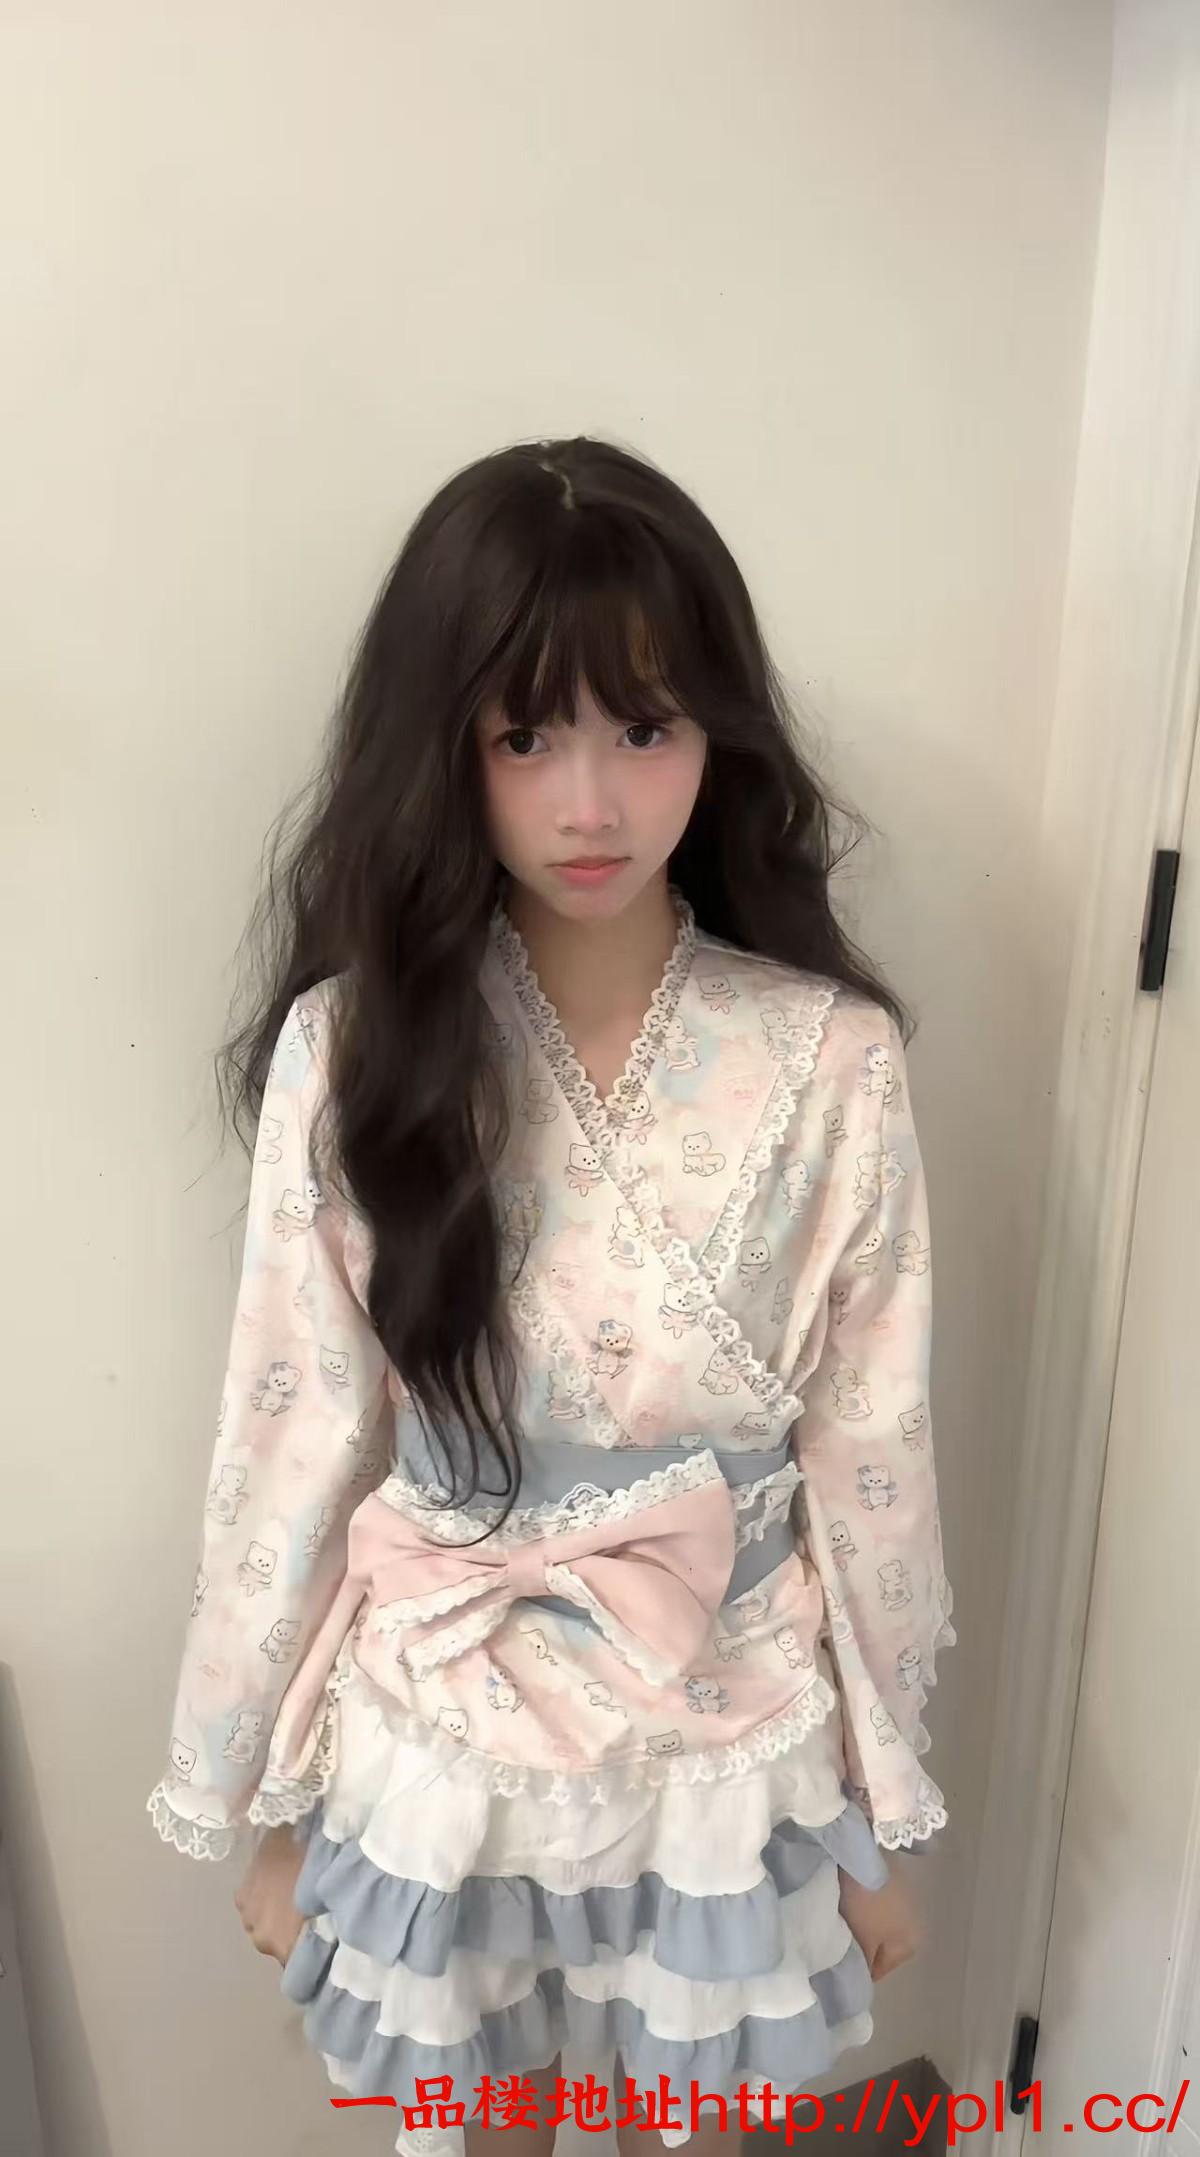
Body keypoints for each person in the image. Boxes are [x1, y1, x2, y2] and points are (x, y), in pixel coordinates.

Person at [146, 435, 956, 2157]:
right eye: (525, 736)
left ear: (716, 737)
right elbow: (291, 1438)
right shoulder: (352, 1053)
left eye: (644, 729)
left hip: (728, 1743)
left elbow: (872, 1457)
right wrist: (258, 1799)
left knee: (704, 2125)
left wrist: (882, 1811)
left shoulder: (833, 1059)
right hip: (443, 1745)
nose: (591, 804)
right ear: (445, 747)